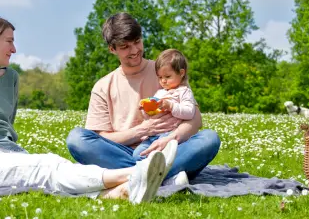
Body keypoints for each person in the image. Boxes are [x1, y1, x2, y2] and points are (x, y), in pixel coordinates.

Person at [0, 15, 177, 204]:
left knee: (47, 172)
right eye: (9, 41)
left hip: (8, 150)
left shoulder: (10, 78)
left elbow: (7, 126)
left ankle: (116, 192)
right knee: (46, 167)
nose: (14, 49)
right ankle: (138, 174)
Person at [66, 12, 222, 186]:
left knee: (210, 138)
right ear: (112, 49)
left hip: (168, 148)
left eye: (137, 42)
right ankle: (157, 175)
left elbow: (196, 119)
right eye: (125, 47)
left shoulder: (165, 71)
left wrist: (171, 139)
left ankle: (136, 177)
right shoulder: (102, 87)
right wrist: (142, 130)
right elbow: (102, 139)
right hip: (124, 153)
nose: (134, 51)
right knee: (76, 139)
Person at [132, 49, 199, 169]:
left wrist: (171, 106)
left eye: (168, 76)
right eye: (160, 77)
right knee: (137, 155)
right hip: (152, 136)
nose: (163, 81)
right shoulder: (160, 93)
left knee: (165, 155)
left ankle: (161, 170)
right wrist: (145, 110)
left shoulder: (184, 92)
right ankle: (152, 172)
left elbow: (189, 113)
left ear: (181, 73)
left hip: (170, 135)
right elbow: (151, 117)